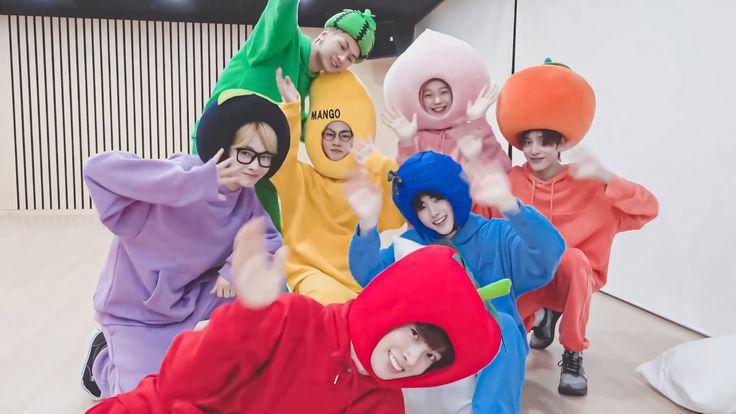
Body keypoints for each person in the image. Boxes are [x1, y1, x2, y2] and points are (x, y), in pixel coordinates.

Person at [86, 218, 505, 414]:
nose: (413, 358)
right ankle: (103, 359)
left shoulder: (383, 404)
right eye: (415, 334)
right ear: (393, 306)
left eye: (431, 356)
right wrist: (247, 317)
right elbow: (181, 382)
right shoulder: (296, 319)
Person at [80, 89, 290, 399]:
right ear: (225, 147)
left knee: (269, 290)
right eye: (246, 153)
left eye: (265, 157)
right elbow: (97, 169)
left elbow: (270, 242)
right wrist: (197, 182)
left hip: (191, 300)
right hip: (138, 312)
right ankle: (101, 361)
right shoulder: (182, 171)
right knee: (147, 399)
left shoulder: (246, 198)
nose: (255, 165)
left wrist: (234, 270)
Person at [475, 60, 659, 396]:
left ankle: (573, 352)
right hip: (525, 278)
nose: (533, 150)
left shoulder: (587, 182)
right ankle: (542, 318)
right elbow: (479, 221)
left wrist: (607, 177)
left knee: (573, 259)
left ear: (560, 143)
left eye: (544, 141)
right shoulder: (512, 180)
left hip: (568, 277)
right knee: (502, 351)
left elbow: (648, 209)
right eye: (527, 141)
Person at [347, 151, 565, 413]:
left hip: (490, 348)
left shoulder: (495, 234)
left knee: (504, 325)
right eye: (421, 207)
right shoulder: (411, 244)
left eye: (437, 199)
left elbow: (548, 254)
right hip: (433, 347)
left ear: (453, 192)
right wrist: (367, 225)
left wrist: (512, 207)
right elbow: (370, 275)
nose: (433, 212)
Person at [191, 0, 377, 231]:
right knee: (205, 233)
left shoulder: (315, 83)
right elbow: (282, 9)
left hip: (259, 165)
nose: (342, 58)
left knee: (271, 237)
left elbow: (306, 127)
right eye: (342, 46)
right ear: (324, 34)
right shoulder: (284, 39)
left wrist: (352, 145)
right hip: (218, 152)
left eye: (350, 58)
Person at [270, 68, 404, 304]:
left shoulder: (366, 183)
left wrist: (376, 161)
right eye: (329, 134)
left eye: (345, 135)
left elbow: (397, 211)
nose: (336, 142)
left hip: (361, 279)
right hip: (310, 274)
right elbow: (282, 156)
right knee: (330, 303)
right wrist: (292, 110)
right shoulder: (300, 178)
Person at [381, 29, 511, 171]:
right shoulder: (416, 138)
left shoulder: (469, 132)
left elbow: (503, 169)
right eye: (428, 95)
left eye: (443, 92)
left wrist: (479, 120)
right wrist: (407, 143)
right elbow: (404, 178)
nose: (437, 100)